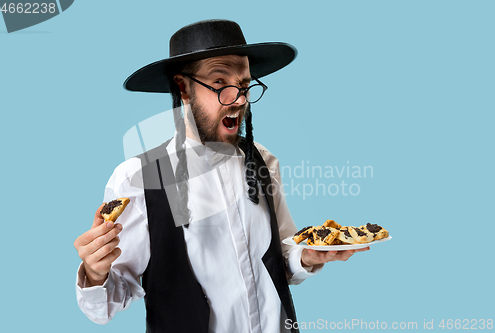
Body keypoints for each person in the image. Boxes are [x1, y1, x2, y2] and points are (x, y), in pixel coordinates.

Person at [74, 19, 368, 333]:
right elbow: (105, 305)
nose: (239, 99)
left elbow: (280, 260)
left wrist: (307, 256)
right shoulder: (138, 179)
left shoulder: (263, 161)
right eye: (220, 82)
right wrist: (94, 273)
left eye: (244, 85)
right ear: (183, 87)